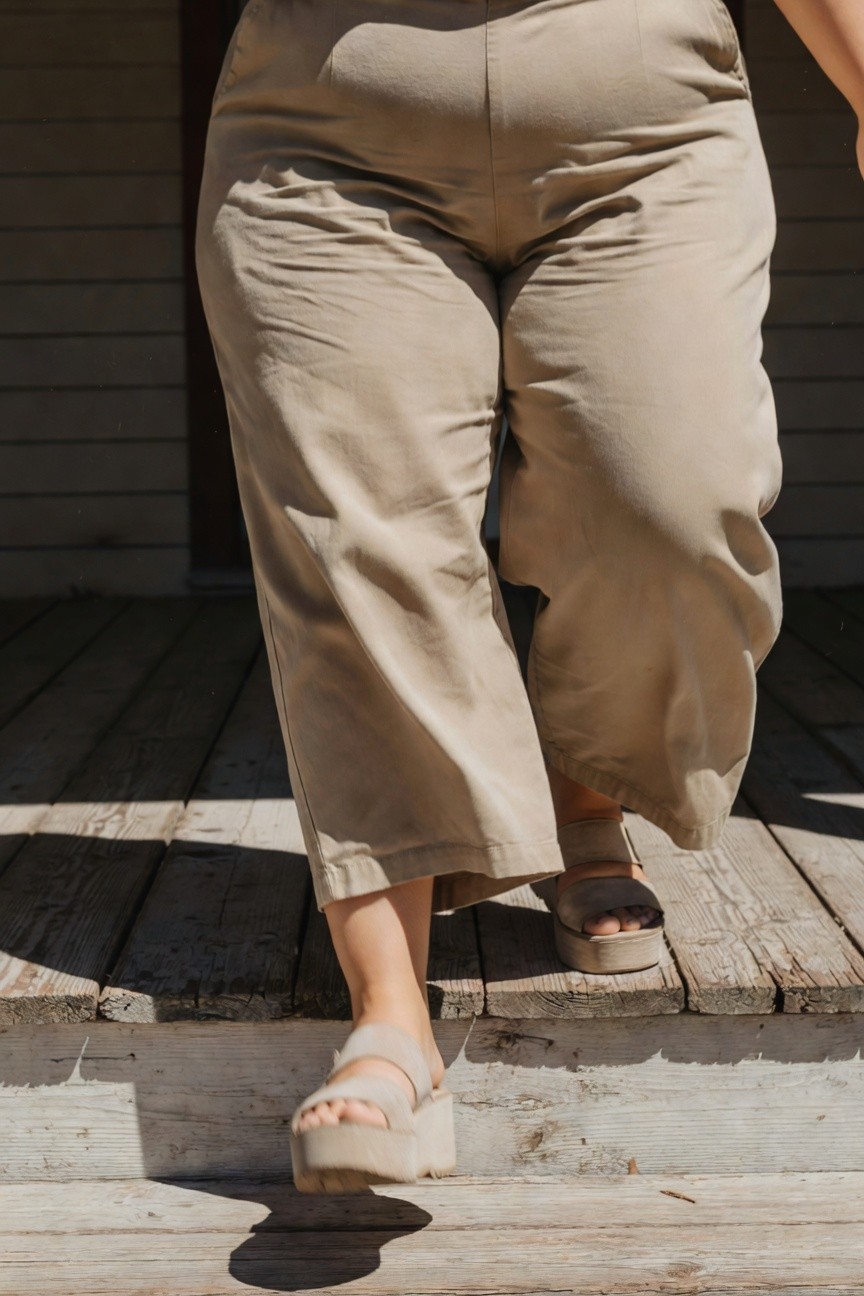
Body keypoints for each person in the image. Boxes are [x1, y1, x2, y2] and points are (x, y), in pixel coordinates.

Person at [196, 0, 864, 1193]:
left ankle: (580, 801)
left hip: (641, 117)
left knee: (669, 503)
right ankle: (391, 1021)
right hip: (329, 115)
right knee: (365, 540)